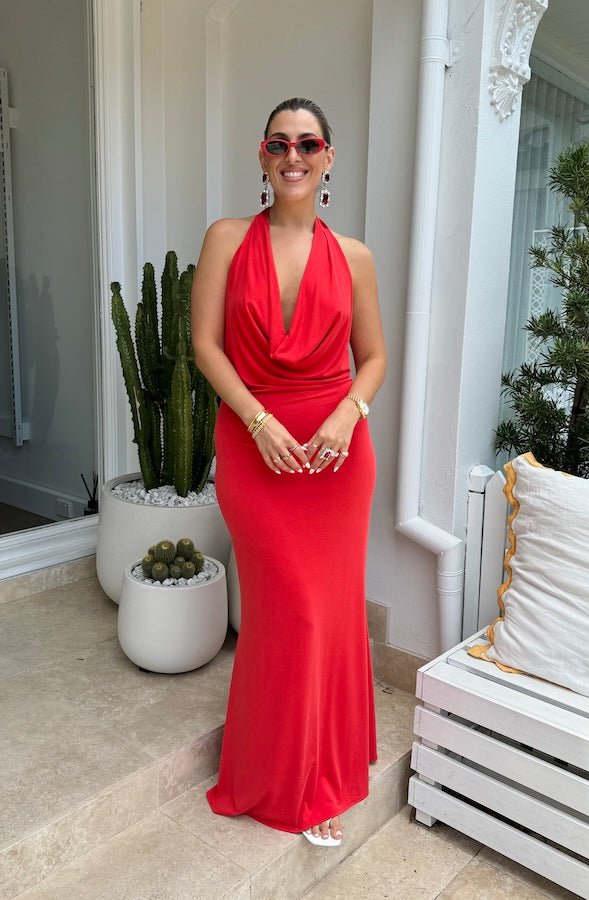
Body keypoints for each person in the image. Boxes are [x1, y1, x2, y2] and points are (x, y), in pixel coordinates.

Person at [191, 97, 386, 847]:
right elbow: (206, 345)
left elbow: (374, 358)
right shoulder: (226, 238)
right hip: (255, 445)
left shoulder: (356, 257)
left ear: (328, 157)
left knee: (328, 614)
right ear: (263, 156)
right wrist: (258, 420)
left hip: (336, 456)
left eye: (308, 144)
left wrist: (347, 415)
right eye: (279, 143)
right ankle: (282, 773)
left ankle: (321, 772)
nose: (293, 155)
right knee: (289, 613)